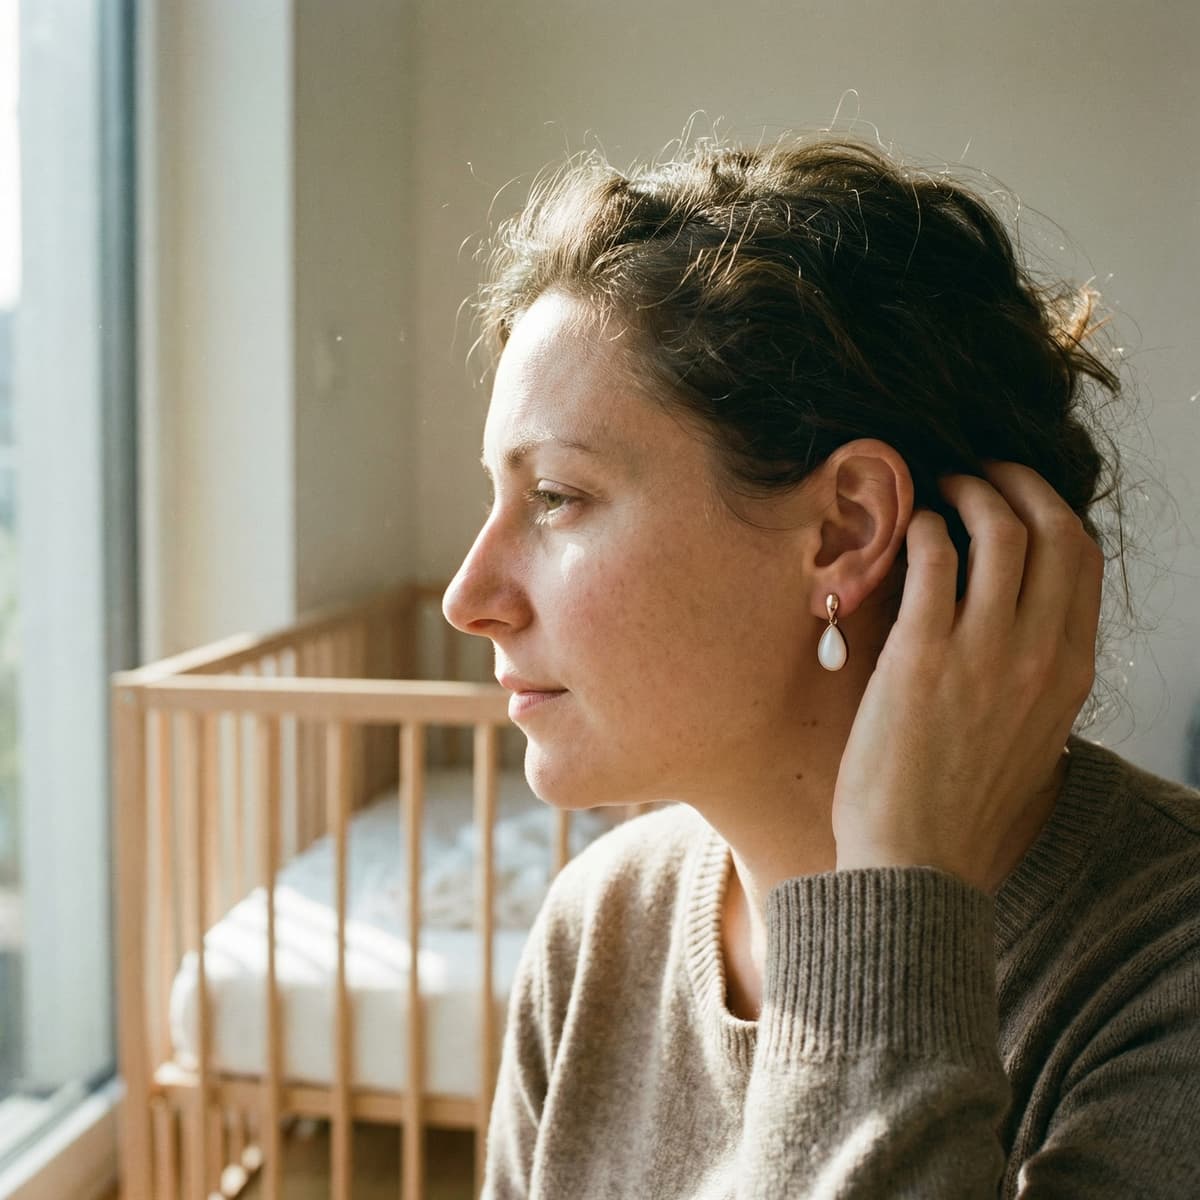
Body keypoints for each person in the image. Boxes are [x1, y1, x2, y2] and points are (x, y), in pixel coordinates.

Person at [441, 132, 1200, 1197]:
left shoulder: (1167, 982)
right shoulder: (601, 925)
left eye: (556, 497)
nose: (467, 599)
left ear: (847, 527)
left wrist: (896, 898)